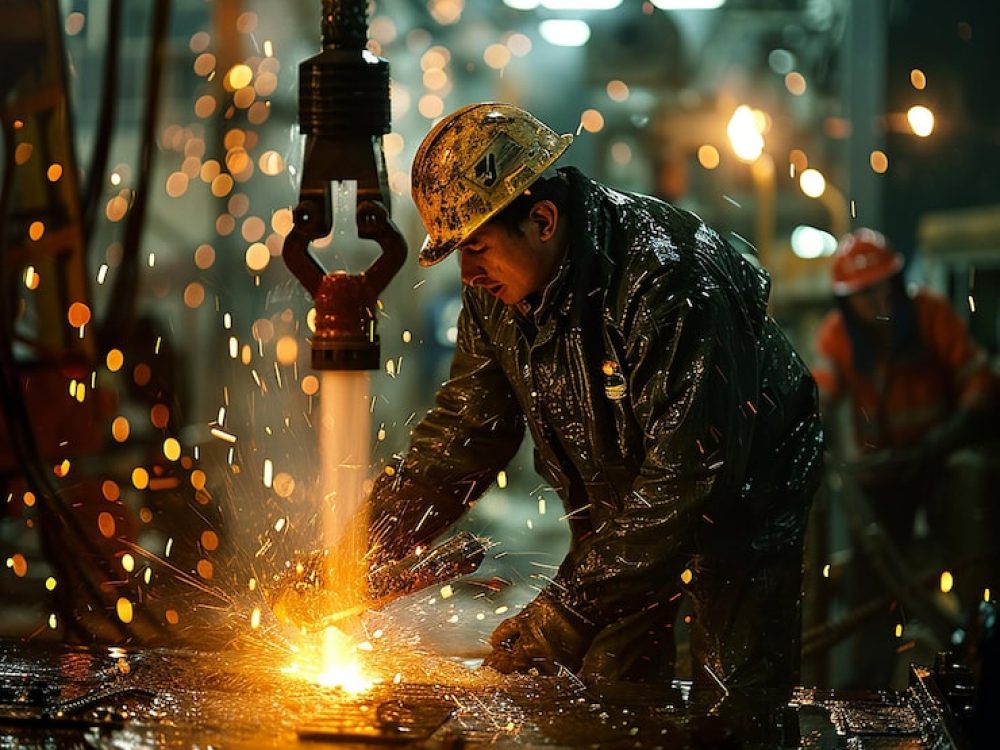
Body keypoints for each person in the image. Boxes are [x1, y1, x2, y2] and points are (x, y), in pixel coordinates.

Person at [368, 102, 823, 692]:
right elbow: (465, 432)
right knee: (604, 692)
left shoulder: (670, 278)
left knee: (730, 699)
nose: (469, 275)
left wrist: (569, 608)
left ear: (543, 219)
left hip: (740, 500)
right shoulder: (497, 293)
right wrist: (365, 548)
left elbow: (691, 472)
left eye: (476, 247)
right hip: (625, 510)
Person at [811, 227, 999, 686]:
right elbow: (819, 392)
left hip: (939, 462)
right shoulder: (837, 336)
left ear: (896, 283)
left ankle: (976, 652)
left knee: (969, 534)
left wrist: (944, 440)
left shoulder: (930, 313)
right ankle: (867, 686)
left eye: (882, 289)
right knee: (871, 579)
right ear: (847, 301)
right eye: (864, 294)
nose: (877, 302)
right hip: (885, 474)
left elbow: (980, 382)